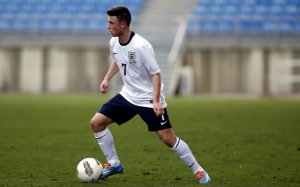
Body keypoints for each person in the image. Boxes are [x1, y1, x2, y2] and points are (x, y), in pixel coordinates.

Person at [90, 6, 211, 184]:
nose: (108, 26)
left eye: (111, 23)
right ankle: (114, 163)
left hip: (148, 99)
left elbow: (156, 74)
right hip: (128, 95)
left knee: (168, 138)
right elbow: (118, 59)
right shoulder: (113, 42)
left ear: (123, 25)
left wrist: (155, 101)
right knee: (96, 123)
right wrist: (107, 78)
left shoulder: (141, 46)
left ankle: (198, 170)